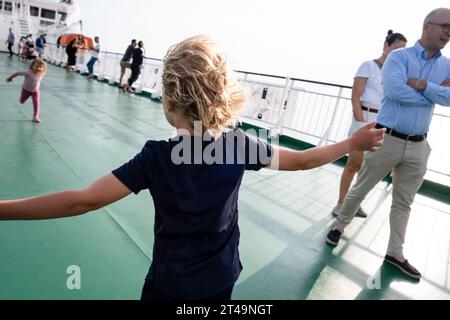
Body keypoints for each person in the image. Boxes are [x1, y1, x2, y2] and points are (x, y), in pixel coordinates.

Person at [0, 35, 384, 300]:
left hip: (171, 286)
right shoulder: (239, 145)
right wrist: (352, 142)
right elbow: (302, 161)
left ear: (169, 103)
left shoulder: (156, 158)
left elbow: (81, 201)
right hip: (221, 278)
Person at [326, 8, 450, 280]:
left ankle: (395, 252)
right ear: (427, 26)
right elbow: (394, 90)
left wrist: (420, 84)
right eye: (445, 26)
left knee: (404, 202)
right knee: (362, 187)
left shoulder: (447, 65)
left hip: (419, 145)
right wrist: (435, 93)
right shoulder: (399, 57)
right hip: (387, 138)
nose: (448, 33)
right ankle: (339, 225)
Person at [332, 30, 407, 219]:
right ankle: (340, 204)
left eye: (403, 51)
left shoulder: (397, 73)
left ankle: (353, 205)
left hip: (382, 123)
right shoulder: (368, 66)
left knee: (367, 169)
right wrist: (360, 124)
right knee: (353, 164)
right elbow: (355, 98)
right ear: (386, 46)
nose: (399, 53)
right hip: (364, 120)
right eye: (396, 48)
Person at [5, 58, 47, 123]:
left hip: (35, 91)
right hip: (26, 90)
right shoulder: (28, 73)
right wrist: (10, 78)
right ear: (32, 66)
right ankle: (22, 99)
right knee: (22, 101)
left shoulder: (41, 73)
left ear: (43, 68)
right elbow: (18, 73)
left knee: (36, 103)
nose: (38, 68)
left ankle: (35, 117)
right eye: (37, 66)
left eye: (40, 67)